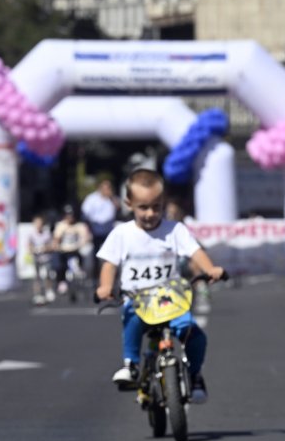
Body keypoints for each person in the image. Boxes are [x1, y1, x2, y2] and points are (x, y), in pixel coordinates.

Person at [95, 168, 225, 403]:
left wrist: (210, 269)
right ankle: (131, 364)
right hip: (138, 300)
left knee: (194, 335)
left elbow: (195, 252)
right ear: (129, 204)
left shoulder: (175, 230)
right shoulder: (121, 234)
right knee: (132, 318)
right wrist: (105, 287)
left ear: (163, 203)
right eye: (143, 207)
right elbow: (109, 264)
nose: (150, 213)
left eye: (156, 207)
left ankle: (195, 375)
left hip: (171, 300)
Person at [81, 179, 120, 278]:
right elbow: (86, 213)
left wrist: (112, 197)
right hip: (96, 227)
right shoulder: (92, 198)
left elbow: (118, 208)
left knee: (111, 252)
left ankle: (112, 273)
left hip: (108, 227)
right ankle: (96, 274)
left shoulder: (112, 199)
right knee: (96, 252)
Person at [52, 205, 91, 296]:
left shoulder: (80, 226)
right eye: (68, 215)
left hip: (76, 251)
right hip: (63, 251)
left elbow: (86, 238)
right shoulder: (61, 225)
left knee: (77, 265)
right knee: (58, 264)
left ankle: (80, 281)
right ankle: (61, 281)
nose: (70, 218)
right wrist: (57, 246)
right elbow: (56, 239)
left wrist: (80, 245)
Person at [27, 215, 55, 305]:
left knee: (47, 275)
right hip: (37, 258)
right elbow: (29, 246)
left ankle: (48, 290)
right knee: (37, 277)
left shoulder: (47, 234)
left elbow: (52, 246)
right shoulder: (31, 234)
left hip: (46, 257)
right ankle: (37, 293)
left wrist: (44, 249)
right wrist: (34, 250)